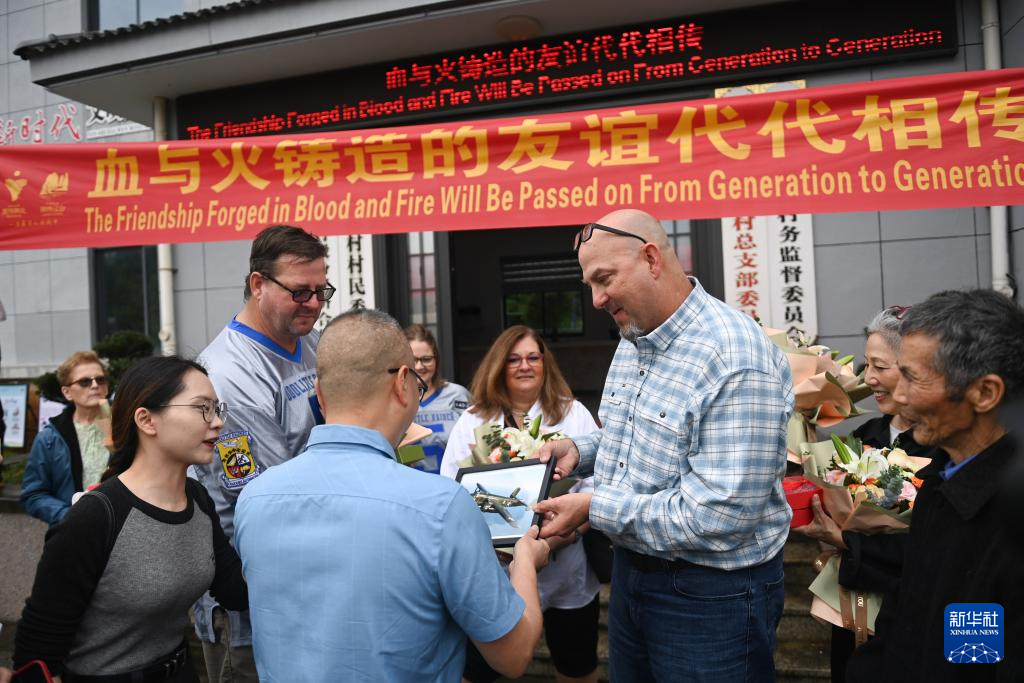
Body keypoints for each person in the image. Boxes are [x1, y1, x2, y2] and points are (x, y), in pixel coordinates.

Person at [534, 209, 794, 682]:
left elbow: (719, 517)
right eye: (589, 284)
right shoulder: (634, 336)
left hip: (710, 595)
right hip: (633, 572)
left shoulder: (733, 355)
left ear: (651, 258)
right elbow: (638, 436)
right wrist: (581, 450)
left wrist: (594, 507)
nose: (596, 300)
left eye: (604, 279)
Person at [234, 309, 549, 681]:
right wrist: (525, 560)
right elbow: (512, 655)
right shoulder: (441, 506)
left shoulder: (254, 499)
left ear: (319, 394)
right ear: (403, 383)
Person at [4, 356, 246, 683]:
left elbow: (234, 590)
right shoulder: (94, 518)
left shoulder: (197, 498)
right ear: (146, 420)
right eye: (202, 408)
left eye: (217, 409)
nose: (217, 421)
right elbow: (38, 647)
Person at [847, 289, 1024, 682]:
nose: (900, 395)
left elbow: (976, 656)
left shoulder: (1008, 520)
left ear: (985, 393)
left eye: (912, 377)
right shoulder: (943, 485)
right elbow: (905, 624)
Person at [190, 225, 332, 683]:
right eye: (300, 292)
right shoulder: (230, 375)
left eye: (321, 291)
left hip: (301, 576)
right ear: (258, 284)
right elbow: (269, 496)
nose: (313, 303)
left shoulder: (307, 341)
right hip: (250, 599)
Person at [440, 325, 601, 683]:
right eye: (513, 359)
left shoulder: (572, 413)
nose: (524, 366)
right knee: (477, 672)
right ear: (499, 365)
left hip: (565, 572)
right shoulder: (474, 421)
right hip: (493, 573)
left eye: (532, 357)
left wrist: (559, 536)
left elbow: (597, 488)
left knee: (576, 668)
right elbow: (450, 489)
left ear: (545, 363)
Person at [794, 306, 937, 682]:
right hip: (854, 610)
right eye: (867, 364)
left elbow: (935, 545)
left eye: (880, 366)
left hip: (913, 612)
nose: (869, 377)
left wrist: (845, 539)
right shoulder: (865, 436)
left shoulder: (944, 447)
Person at [21, 351, 112, 525]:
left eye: (100, 380)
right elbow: (33, 494)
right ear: (67, 392)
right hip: (73, 532)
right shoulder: (49, 437)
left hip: (122, 529)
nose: (95, 385)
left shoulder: (126, 428)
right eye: (85, 382)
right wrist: (69, 516)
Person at [404, 323, 470, 474]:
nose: (419, 366)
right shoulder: (393, 400)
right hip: (412, 484)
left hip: (453, 482)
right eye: (413, 360)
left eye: (426, 359)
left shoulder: (458, 395)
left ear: (437, 359)